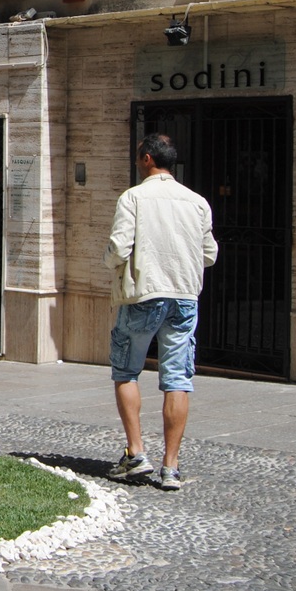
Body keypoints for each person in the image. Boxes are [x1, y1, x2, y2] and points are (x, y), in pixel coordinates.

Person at [104, 133, 219, 491]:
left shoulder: (134, 197)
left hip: (144, 293)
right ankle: (171, 466)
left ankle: (136, 453)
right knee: (178, 378)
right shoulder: (197, 202)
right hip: (184, 297)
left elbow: (119, 247)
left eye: (140, 157)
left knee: (126, 369)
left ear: (147, 159)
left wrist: (110, 262)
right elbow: (210, 253)